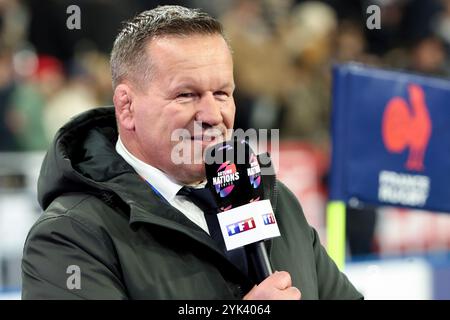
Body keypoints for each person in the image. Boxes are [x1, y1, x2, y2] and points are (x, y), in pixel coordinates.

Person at [21, 5, 362, 300]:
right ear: (126, 107)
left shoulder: (276, 201)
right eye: (186, 95)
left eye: (222, 93)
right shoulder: (68, 235)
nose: (213, 116)